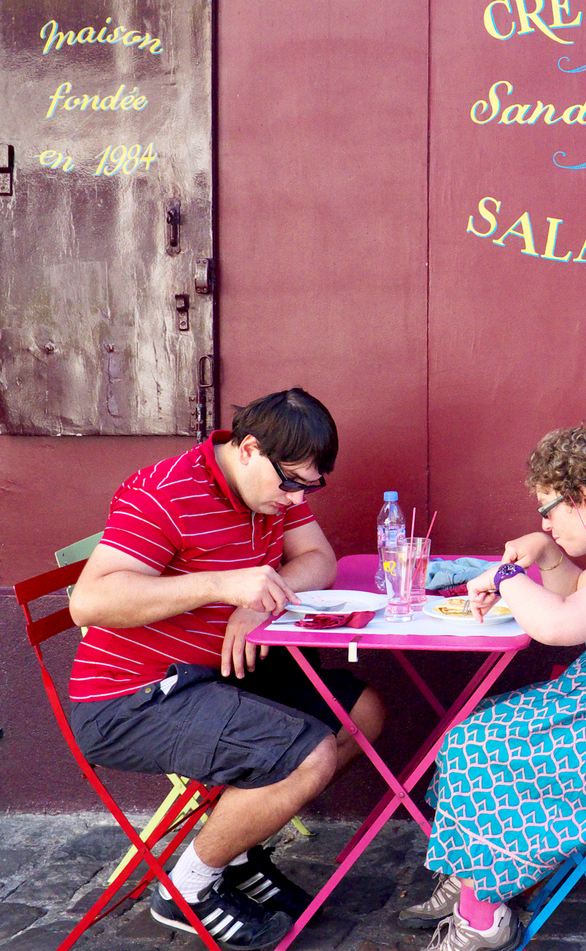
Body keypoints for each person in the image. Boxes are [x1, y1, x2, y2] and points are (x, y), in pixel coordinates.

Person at [66, 388, 386, 951]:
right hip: (135, 696)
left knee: (361, 716)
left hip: (218, 674)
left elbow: (319, 560)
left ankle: (232, 853)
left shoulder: (274, 491)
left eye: (311, 486)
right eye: (291, 482)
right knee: (307, 755)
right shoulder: (164, 491)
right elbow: (89, 603)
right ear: (249, 450)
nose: (297, 499)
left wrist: (253, 601)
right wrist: (220, 584)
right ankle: (185, 890)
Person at [398, 425, 586, 951]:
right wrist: (545, 551)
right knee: (479, 726)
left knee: (478, 745)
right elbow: (576, 593)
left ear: (582, 498)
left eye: (549, 510)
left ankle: (481, 915)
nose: (542, 520)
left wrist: (503, 578)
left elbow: (560, 626)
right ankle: (475, 872)